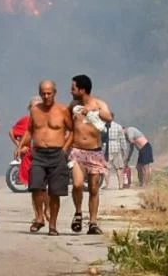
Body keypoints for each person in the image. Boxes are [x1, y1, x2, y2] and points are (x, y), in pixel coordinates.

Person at [16, 80, 73, 236]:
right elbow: (29, 131)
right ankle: (40, 217)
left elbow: (72, 130)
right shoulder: (35, 110)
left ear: (55, 93)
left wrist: (65, 149)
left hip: (57, 153)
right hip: (39, 154)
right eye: (43, 93)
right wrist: (20, 146)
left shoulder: (62, 110)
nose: (46, 96)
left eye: (49, 93)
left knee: (55, 192)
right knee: (35, 185)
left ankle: (52, 225)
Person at [68, 74, 113, 235]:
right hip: (77, 151)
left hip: (95, 151)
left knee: (94, 188)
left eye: (73, 88)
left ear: (82, 90)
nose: (71, 91)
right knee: (77, 184)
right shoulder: (73, 105)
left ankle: (93, 222)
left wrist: (94, 111)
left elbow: (109, 117)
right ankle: (78, 213)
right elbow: (67, 124)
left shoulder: (99, 104)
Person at [10, 96, 48, 227]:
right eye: (34, 107)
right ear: (29, 108)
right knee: (35, 188)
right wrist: (20, 146)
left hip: (45, 156)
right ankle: (38, 215)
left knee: (44, 188)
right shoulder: (26, 120)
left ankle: (47, 209)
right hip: (29, 158)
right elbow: (12, 132)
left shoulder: (48, 119)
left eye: (39, 106)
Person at [104, 114, 127, 190]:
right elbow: (122, 139)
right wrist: (124, 149)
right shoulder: (118, 126)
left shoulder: (103, 126)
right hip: (116, 147)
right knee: (119, 167)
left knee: (106, 168)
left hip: (106, 148)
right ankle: (120, 185)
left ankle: (107, 186)